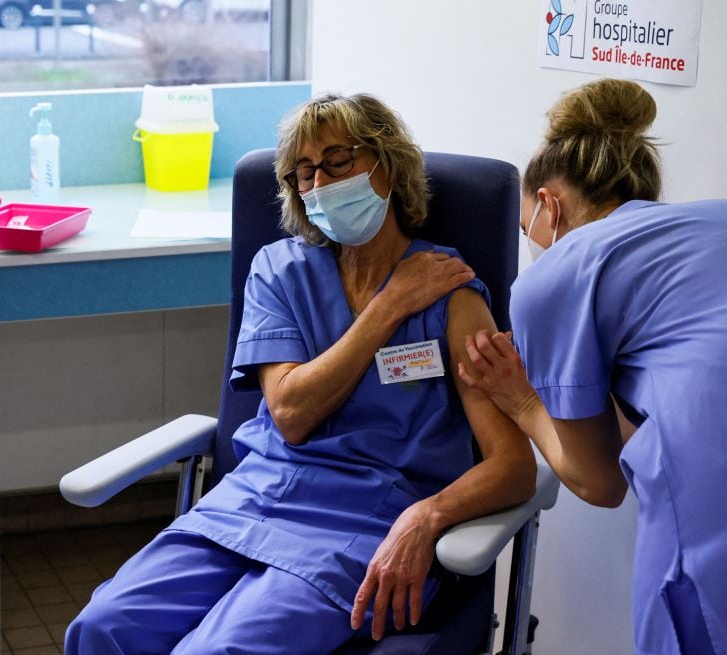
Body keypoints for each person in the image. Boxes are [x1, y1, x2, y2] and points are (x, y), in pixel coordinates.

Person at [64, 93, 536, 654]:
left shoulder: (452, 296)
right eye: (304, 172)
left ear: (389, 166)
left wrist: (425, 516)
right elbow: (289, 413)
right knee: (101, 628)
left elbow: (513, 466)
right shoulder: (280, 271)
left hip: (363, 524)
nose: (321, 183)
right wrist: (389, 306)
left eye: (339, 162)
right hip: (252, 501)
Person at [458, 78, 727, 655]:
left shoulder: (557, 276)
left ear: (549, 204)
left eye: (527, 224)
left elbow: (599, 481)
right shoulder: (708, 225)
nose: (531, 239)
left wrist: (524, 401)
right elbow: (672, 400)